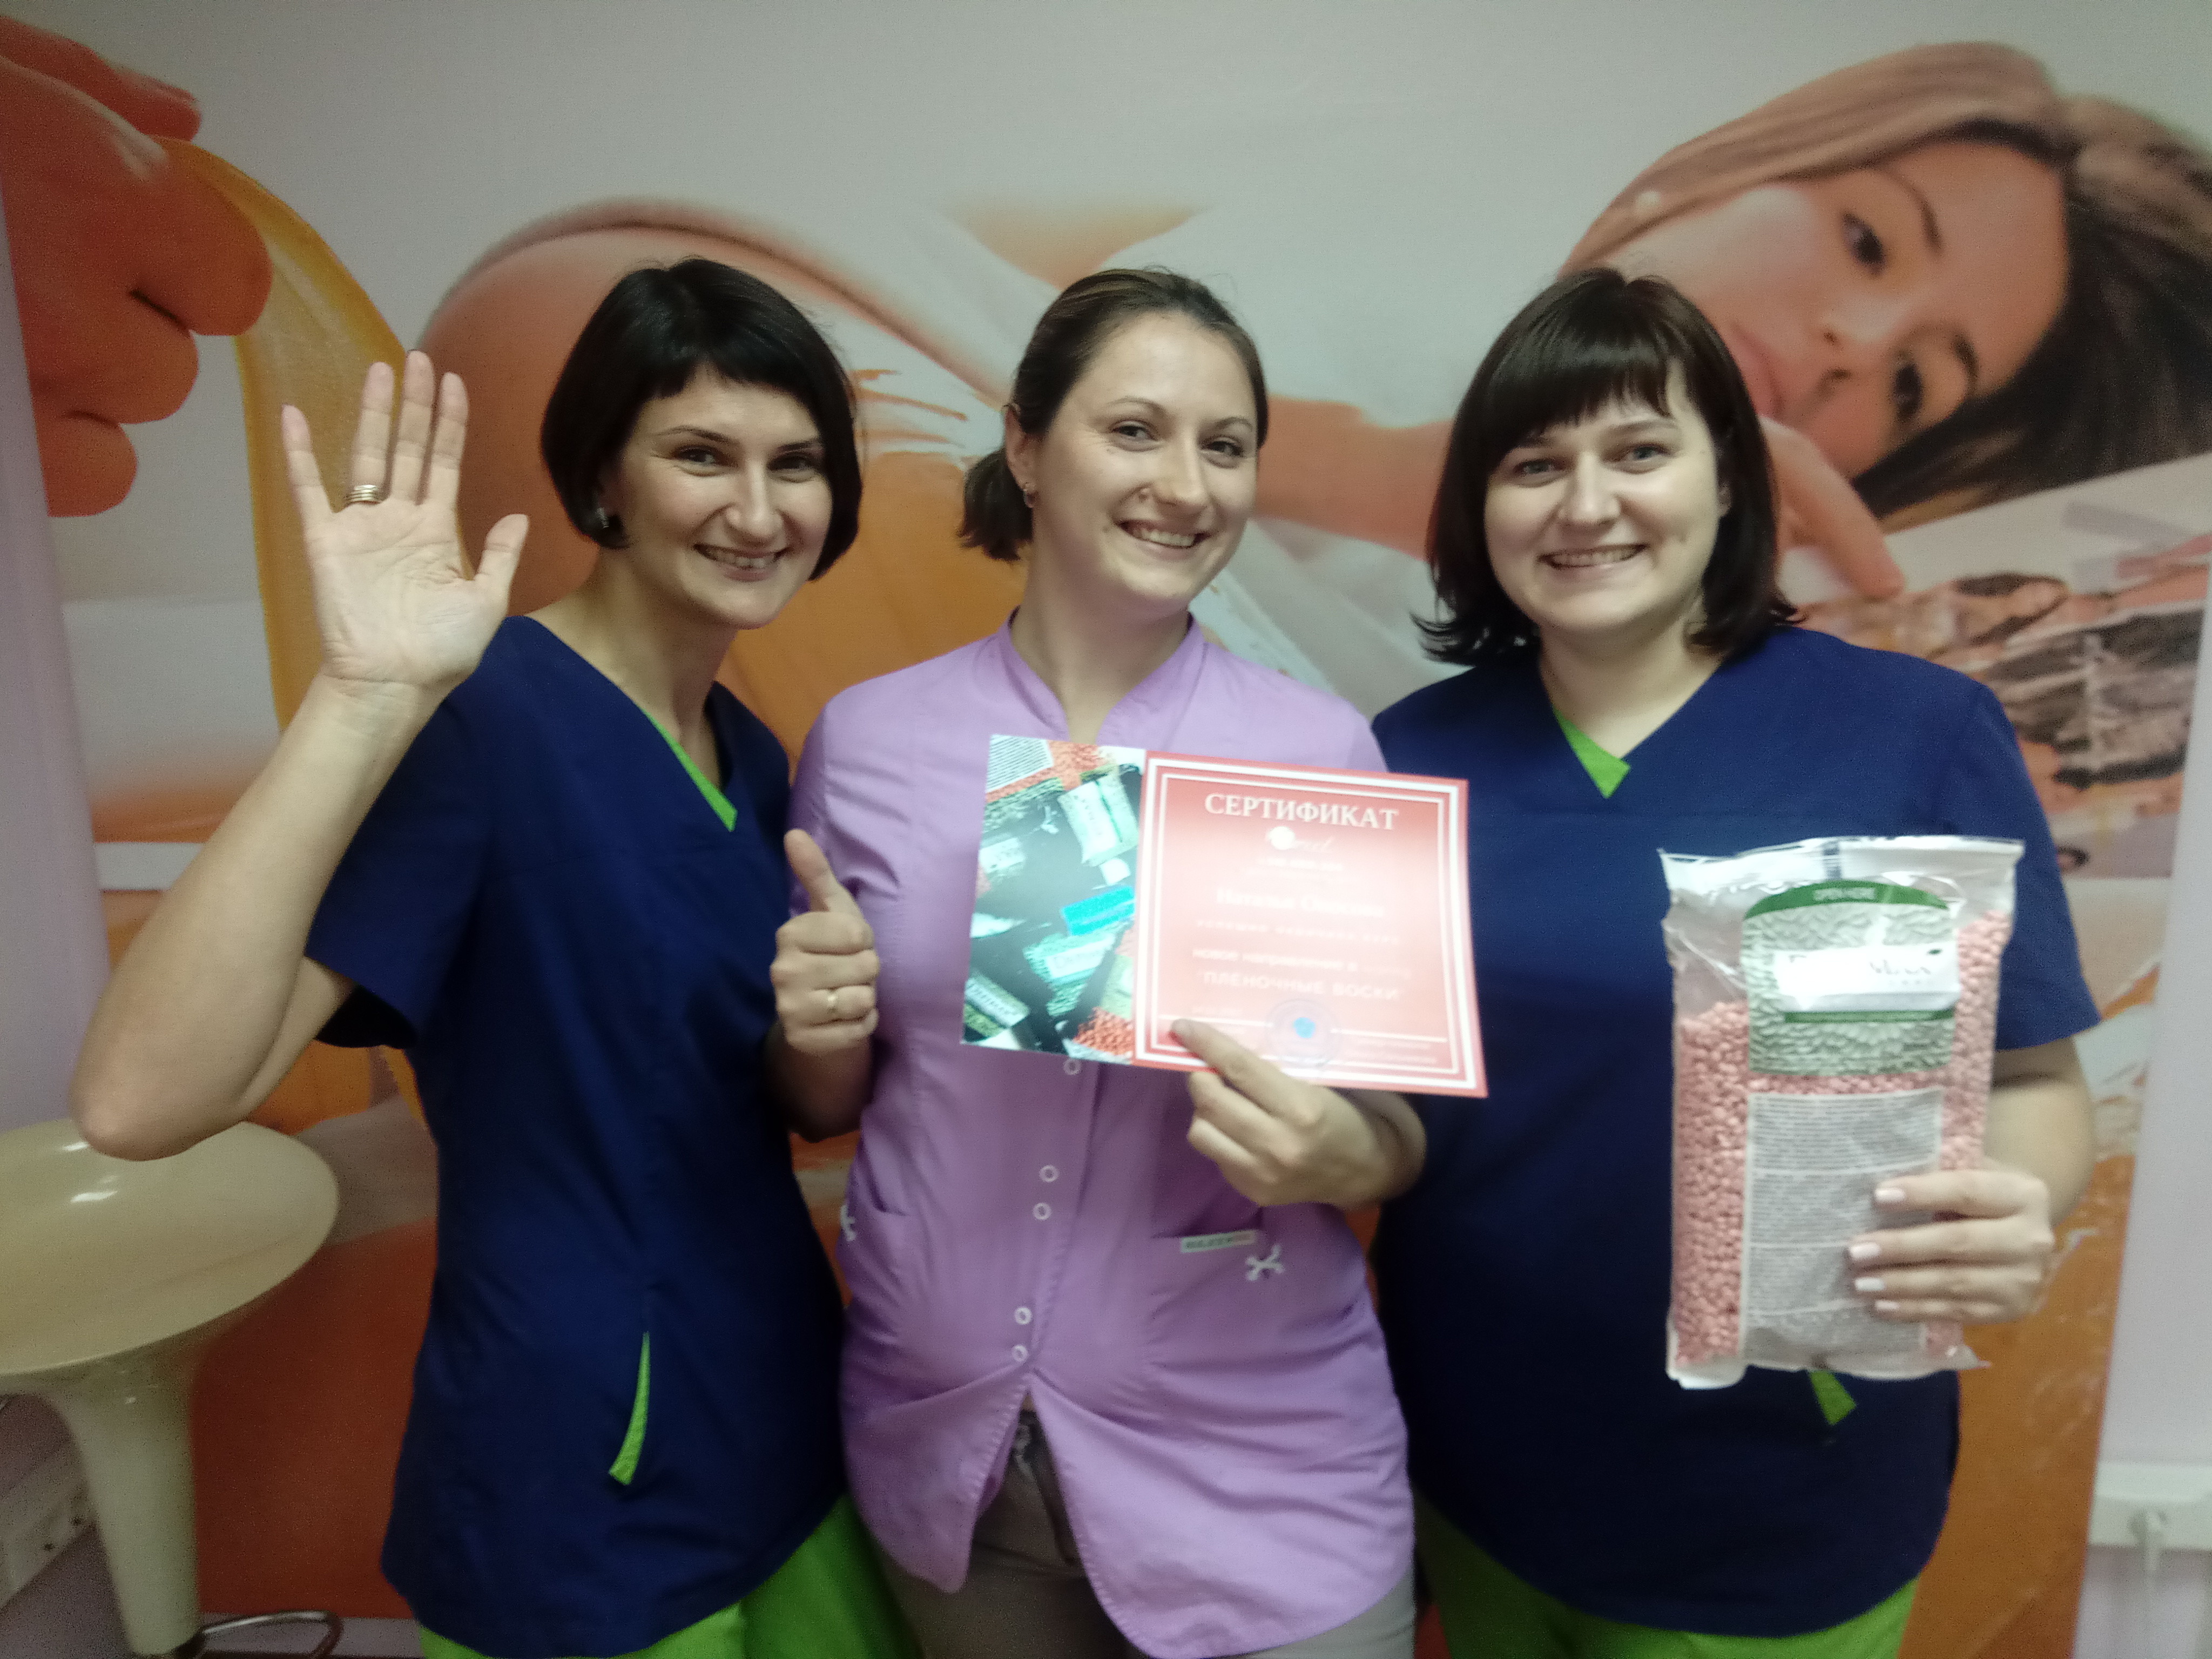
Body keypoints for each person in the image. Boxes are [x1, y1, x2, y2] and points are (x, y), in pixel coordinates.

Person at [70, 259, 915, 1659]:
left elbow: (774, 1104)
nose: (760, 510)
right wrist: (363, 696)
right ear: (604, 477)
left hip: (778, 1416)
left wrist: (821, 1034)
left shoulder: (754, 758)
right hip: (578, 1471)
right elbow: (140, 1101)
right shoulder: (483, 721)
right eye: (702, 455)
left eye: (797, 463)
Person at [1367, 268, 2100, 1657]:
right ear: (1480, 503)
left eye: (1639, 451)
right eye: (1535, 464)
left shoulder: (1915, 736)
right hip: (1474, 1461)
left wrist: (2015, 1204)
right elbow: (1386, 1105)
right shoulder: (1403, 756)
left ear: (1728, 482)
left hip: (1781, 1499)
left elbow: (2030, 1079)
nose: (1586, 505)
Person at [768, 268, 1426, 1659]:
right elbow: (832, 1100)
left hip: (1255, 1479)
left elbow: (1390, 1136)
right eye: (1133, 430)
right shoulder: (869, 740)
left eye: (1224, 446)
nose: (1183, 485)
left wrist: (1343, 1155)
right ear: (1024, 445)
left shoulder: (1317, 756)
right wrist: (812, 1031)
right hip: (951, 1466)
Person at [1257, 41, 2212, 600]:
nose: (1859, 345)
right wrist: (1377, 476)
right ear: (1729, 168)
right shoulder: (1298, 250)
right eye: (1867, 241)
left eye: (1912, 385)